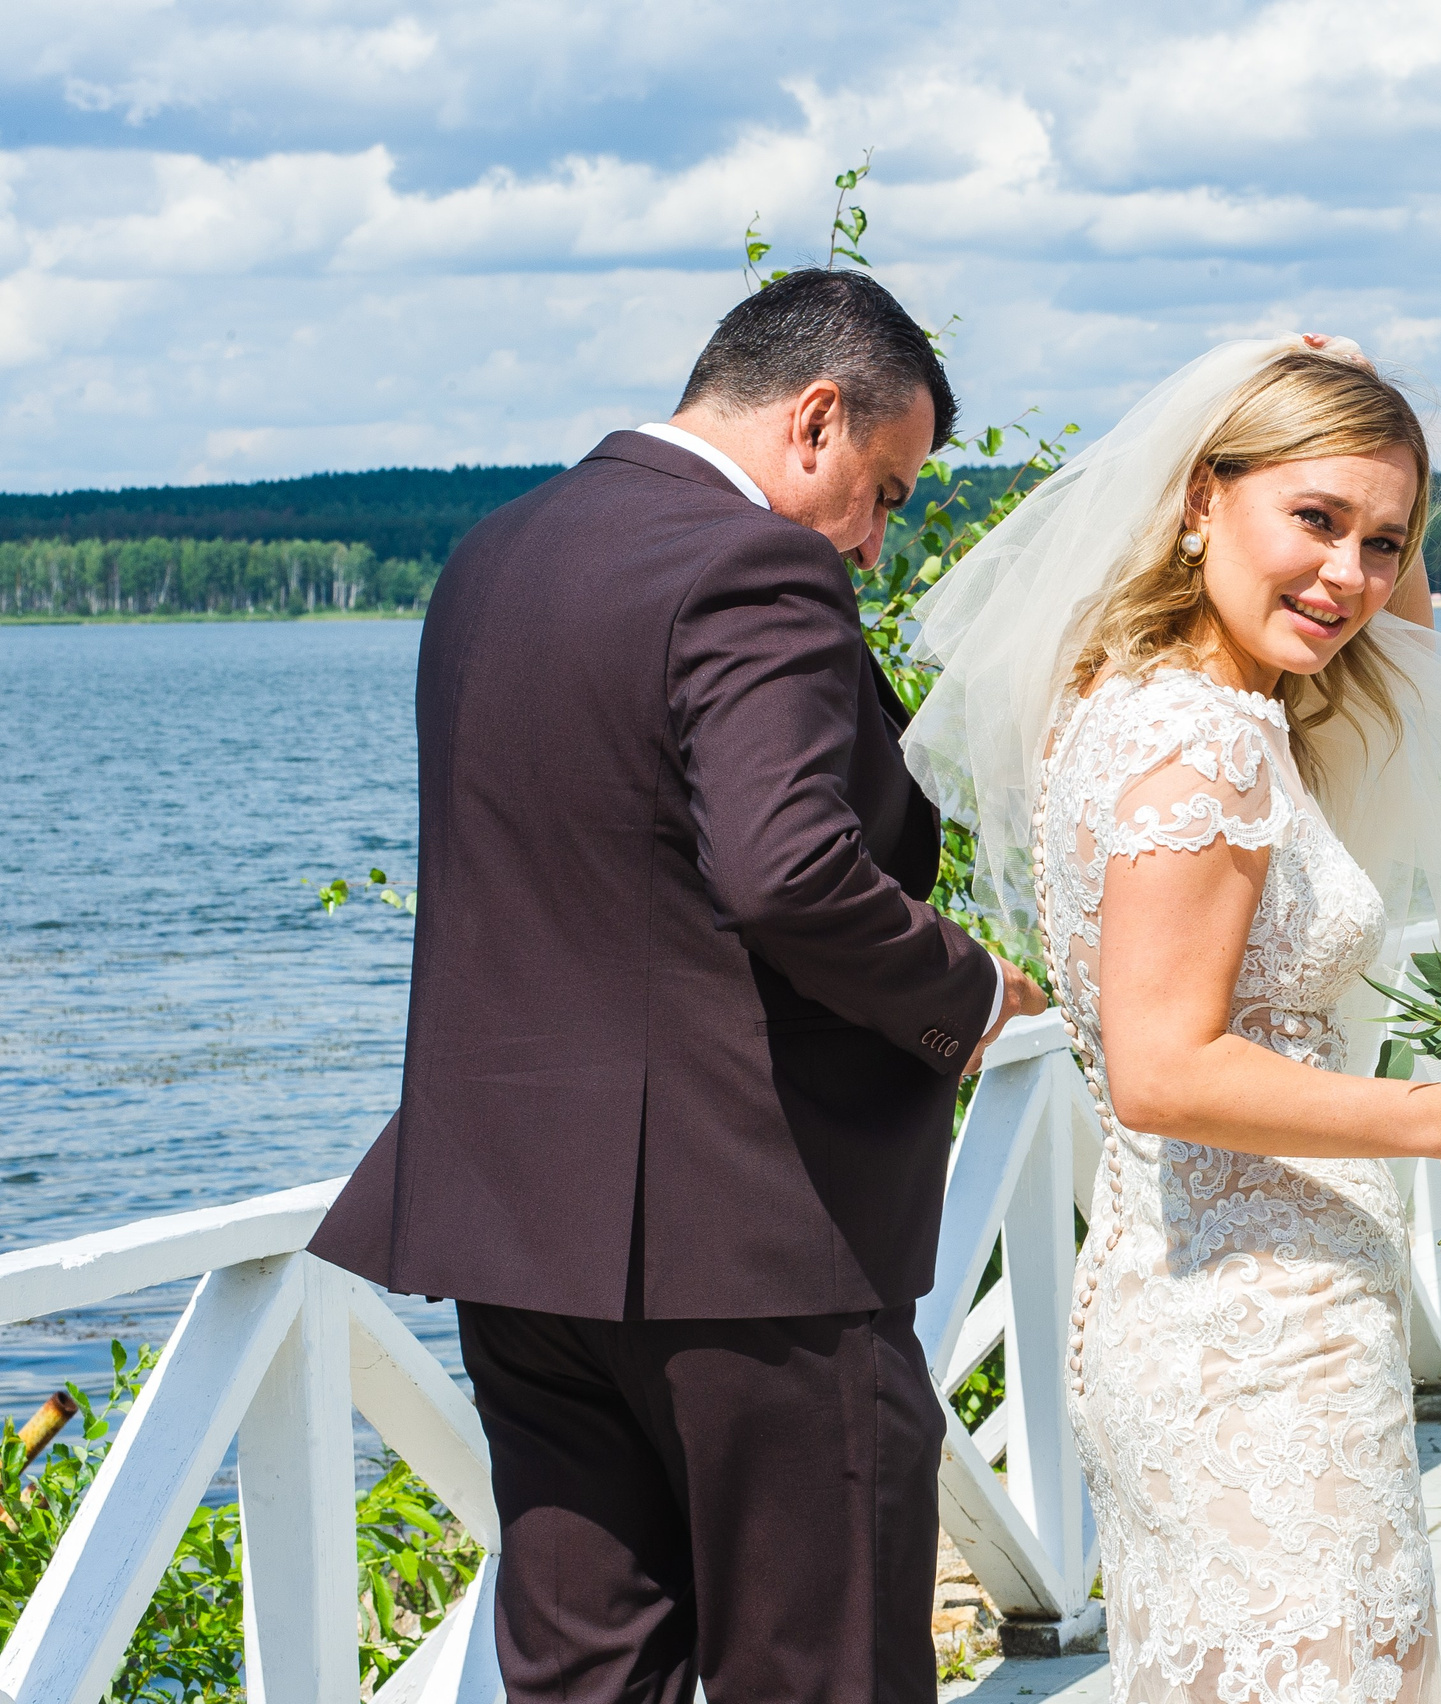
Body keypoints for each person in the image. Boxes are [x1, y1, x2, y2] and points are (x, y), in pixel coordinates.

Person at [309, 268, 1045, 1704]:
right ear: (816, 418)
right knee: (820, 1675)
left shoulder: (493, 557)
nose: (876, 544)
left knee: (589, 1677)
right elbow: (787, 874)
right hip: (756, 1249)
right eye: (885, 491)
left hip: (521, 1238)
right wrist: (967, 989)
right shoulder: (756, 565)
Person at [904, 337, 1441, 1704]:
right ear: (1201, 497)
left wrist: (1361, 474)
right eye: (1315, 520)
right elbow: (1165, 1069)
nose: (1352, 575)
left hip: (1208, 1291)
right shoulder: (1201, 743)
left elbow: (1409, 660)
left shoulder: (1142, 697)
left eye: (1386, 541)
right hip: (1252, 1341)